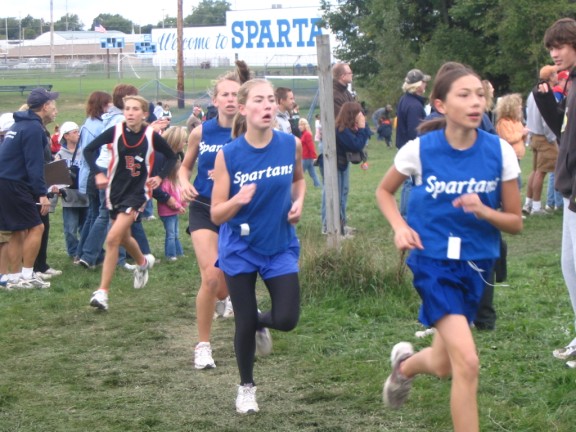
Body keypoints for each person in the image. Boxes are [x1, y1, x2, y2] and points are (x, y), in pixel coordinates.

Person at [376, 66, 522, 432]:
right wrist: (400, 227)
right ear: (440, 104)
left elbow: (515, 222)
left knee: (443, 365)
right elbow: (384, 192)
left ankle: (404, 367)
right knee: (467, 363)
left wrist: (484, 211)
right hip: (433, 264)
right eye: (464, 95)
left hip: (476, 265)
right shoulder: (419, 150)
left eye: (479, 95)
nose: (475, 103)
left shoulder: (500, 151)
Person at [210, 78, 306, 414]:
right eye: (259, 100)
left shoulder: (290, 144)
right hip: (240, 247)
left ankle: (261, 322)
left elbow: (298, 179)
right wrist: (237, 200)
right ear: (243, 108)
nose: (267, 106)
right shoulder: (229, 155)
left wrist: (299, 202)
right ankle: (246, 387)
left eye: (270, 100)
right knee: (244, 320)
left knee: (288, 318)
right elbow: (216, 213)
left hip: (279, 243)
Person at [179, 61, 249, 370]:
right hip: (204, 208)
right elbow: (184, 167)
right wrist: (183, 183)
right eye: (225, 94)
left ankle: (235, 304)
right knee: (210, 277)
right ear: (215, 100)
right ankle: (203, 346)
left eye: (236, 94)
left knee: (227, 280)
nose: (231, 99)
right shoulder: (201, 132)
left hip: (237, 211)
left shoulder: (250, 132)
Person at [83, 95, 177, 311]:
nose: (130, 113)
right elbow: (88, 150)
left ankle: (102, 293)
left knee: (112, 238)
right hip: (115, 191)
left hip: (137, 193)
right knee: (124, 238)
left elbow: (172, 157)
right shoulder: (116, 131)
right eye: (127, 109)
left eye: (135, 109)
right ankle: (143, 263)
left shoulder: (151, 135)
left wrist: (160, 176)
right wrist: (98, 173)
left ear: (145, 114)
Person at [0, 88, 59, 289]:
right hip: (14, 184)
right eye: (53, 104)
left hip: (6, 182)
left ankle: (15, 278)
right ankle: (27, 275)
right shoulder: (34, 129)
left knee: (18, 230)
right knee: (37, 227)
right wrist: (42, 194)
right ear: (45, 106)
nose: (55, 108)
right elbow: (34, 164)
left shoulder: (20, 124)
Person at [543, 17, 576, 363]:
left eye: (561, 46)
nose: (554, 53)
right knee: (569, 265)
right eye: (551, 48)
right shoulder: (571, 83)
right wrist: (544, 100)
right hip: (569, 189)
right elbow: (563, 132)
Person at [75, 91, 112, 268]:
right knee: (99, 216)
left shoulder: (88, 123)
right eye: (107, 104)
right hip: (96, 173)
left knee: (92, 215)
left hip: (89, 173)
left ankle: (81, 253)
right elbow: (93, 152)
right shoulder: (97, 127)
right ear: (101, 105)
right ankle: (89, 254)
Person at [523, 65, 560, 216]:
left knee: (535, 171)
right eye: (555, 74)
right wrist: (552, 138)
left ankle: (528, 203)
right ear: (550, 76)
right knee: (541, 172)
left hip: (534, 136)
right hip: (544, 138)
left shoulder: (533, 93)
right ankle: (537, 207)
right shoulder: (545, 94)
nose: (557, 76)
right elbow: (547, 118)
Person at [396, 68, 431, 218]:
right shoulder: (414, 106)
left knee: (407, 182)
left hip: (403, 146)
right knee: (410, 183)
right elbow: (414, 131)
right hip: (410, 148)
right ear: (418, 85)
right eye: (424, 82)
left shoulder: (405, 100)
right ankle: (406, 215)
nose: (426, 85)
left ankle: (406, 213)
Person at [332, 101, 371, 236]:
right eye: (358, 113)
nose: (360, 116)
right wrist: (362, 127)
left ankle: (342, 225)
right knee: (337, 196)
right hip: (335, 165)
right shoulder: (341, 130)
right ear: (351, 114)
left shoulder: (348, 128)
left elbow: (367, 135)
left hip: (342, 164)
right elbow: (356, 145)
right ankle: (336, 228)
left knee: (343, 194)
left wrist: (363, 126)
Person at [55, 121, 89, 262]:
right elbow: (55, 176)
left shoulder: (85, 151)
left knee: (86, 227)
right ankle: (73, 252)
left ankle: (84, 252)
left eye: (78, 131)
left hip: (85, 195)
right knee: (70, 229)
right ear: (66, 136)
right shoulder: (60, 155)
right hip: (69, 197)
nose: (78, 134)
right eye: (75, 132)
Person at [157, 126, 187, 261]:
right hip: (167, 212)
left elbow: (178, 196)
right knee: (171, 234)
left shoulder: (175, 183)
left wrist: (183, 203)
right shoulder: (166, 183)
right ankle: (170, 255)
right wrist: (178, 206)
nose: (185, 143)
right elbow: (170, 199)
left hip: (173, 212)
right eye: (183, 141)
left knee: (175, 233)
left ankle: (179, 252)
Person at [495, 93, 529, 189]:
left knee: (517, 181)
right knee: (516, 182)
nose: (520, 107)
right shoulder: (503, 123)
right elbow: (508, 138)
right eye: (518, 105)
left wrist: (525, 135)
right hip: (509, 156)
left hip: (517, 156)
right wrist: (521, 133)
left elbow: (521, 138)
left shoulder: (517, 122)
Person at [298, 118, 321, 187]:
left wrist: (314, 157)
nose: (300, 126)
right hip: (307, 157)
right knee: (312, 173)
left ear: (305, 125)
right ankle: (317, 185)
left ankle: (299, 186)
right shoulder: (304, 134)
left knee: (299, 173)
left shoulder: (307, 134)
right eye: (299, 125)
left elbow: (311, 147)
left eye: (301, 125)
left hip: (306, 158)